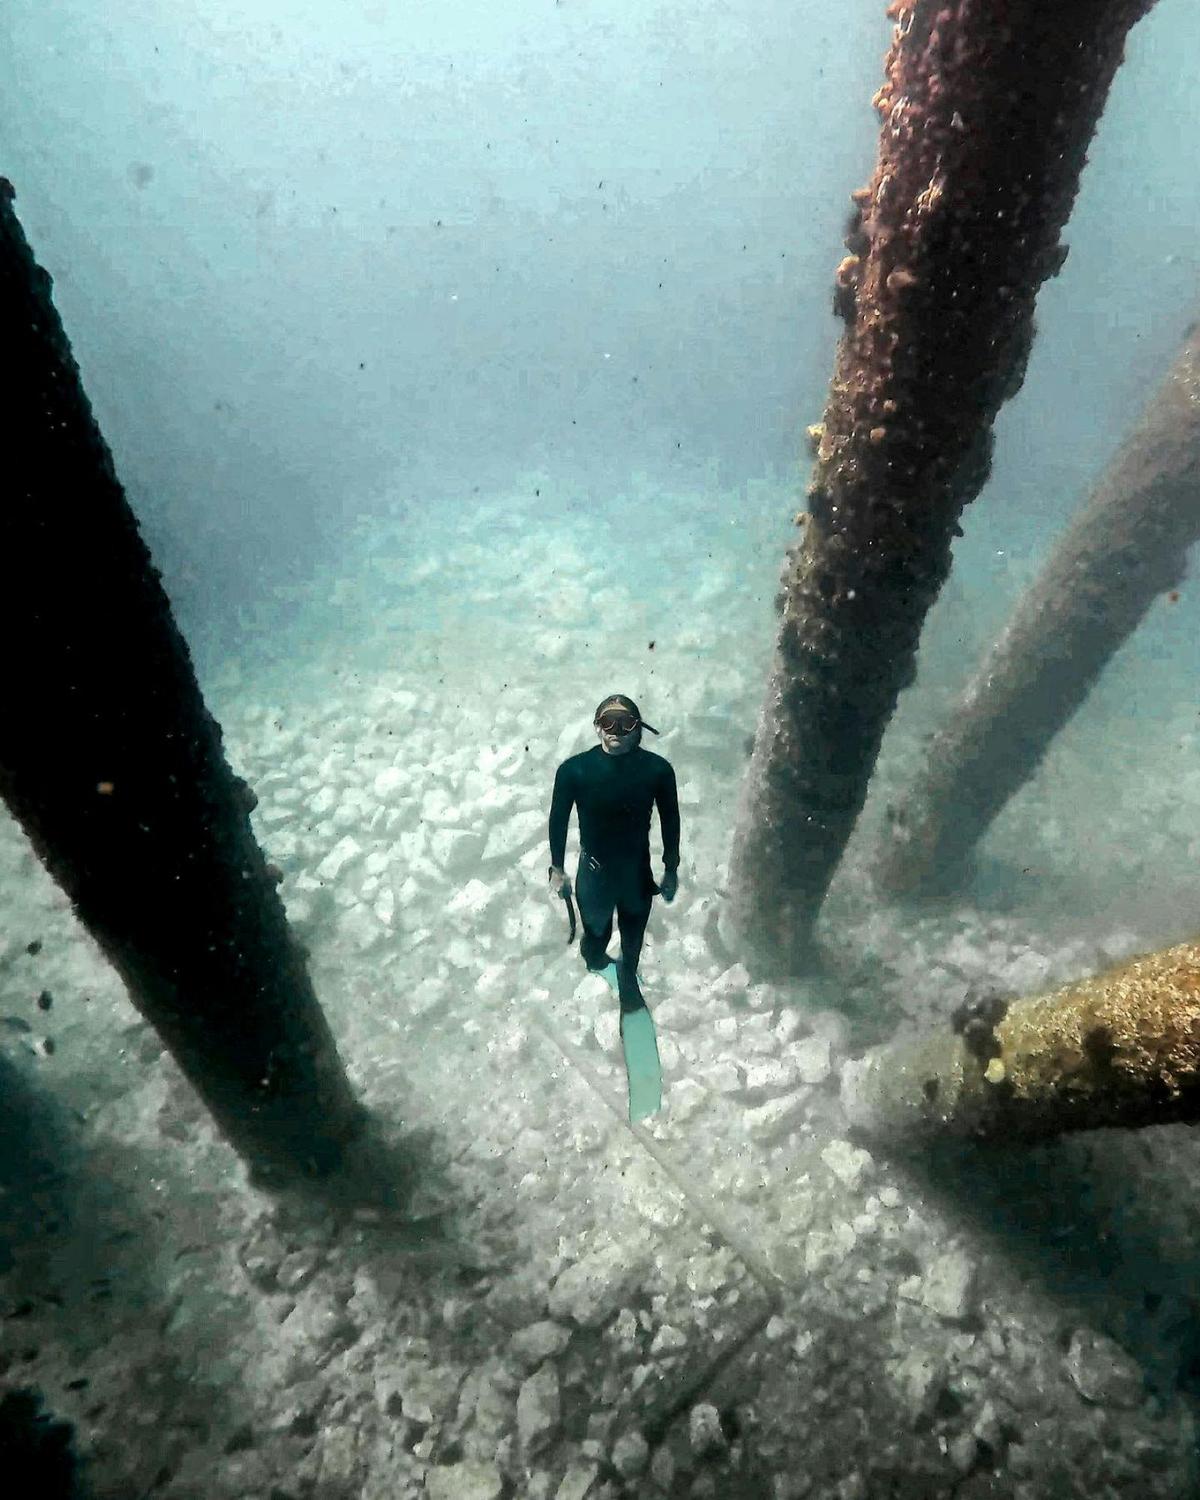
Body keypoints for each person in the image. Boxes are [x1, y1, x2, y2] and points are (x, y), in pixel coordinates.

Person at [547, 694, 680, 1016]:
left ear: (638, 729)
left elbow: (671, 819)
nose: (615, 730)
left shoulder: (658, 771)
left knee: (633, 937)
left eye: (625, 724)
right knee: (596, 939)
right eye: (608, 722)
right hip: (594, 874)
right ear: (596, 728)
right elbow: (558, 820)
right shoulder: (574, 771)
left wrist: (671, 869)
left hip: (637, 874)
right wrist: (556, 868)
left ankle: (628, 988)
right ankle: (597, 961)